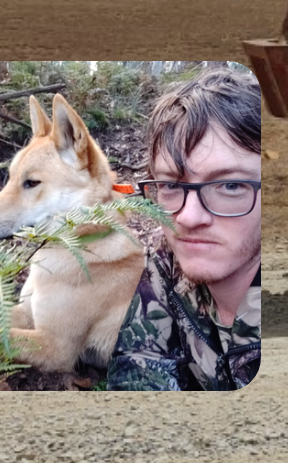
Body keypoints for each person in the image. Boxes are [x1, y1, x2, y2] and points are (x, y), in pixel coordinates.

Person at [107, 67, 261, 390]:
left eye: (231, 185)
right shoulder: (168, 260)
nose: (188, 218)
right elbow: (139, 362)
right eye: (171, 185)